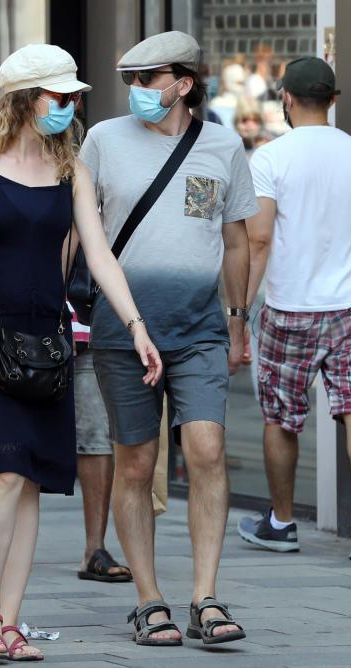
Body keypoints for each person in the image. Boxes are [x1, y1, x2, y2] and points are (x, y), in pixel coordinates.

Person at [0, 44, 161, 661]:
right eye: (59, 96)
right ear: (25, 99)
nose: (69, 106)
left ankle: (11, 621)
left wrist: (134, 324)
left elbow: (98, 253)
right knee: (5, 469)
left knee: (32, 482)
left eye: (73, 97)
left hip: (46, 339)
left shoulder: (69, 166)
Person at [81, 31, 257, 646]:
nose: (137, 92)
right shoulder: (101, 140)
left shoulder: (223, 146)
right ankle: (148, 599)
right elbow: (81, 235)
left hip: (200, 328)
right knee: (137, 461)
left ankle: (205, 596)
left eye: (149, 80)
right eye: (131, 80)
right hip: (120, 332)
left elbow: (236, 241)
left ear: (182, 84)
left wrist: (238, 320)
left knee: (206, 450)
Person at [238, 57, 351, 561]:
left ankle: (281, 522)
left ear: (285, 97)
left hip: (290, 306)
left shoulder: (270, 158)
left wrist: (239, 312)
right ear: (334, 99)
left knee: (282, 416)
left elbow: (258, 240)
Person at [72, 307, 132, 584]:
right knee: (20, 446)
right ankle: (8, 550)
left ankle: (94, 548)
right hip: (33, 326)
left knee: (96, 438)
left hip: (95, 330)